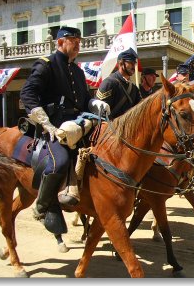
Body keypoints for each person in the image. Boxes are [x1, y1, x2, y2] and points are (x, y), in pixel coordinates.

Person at [20, 26, 110, 234]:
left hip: (77, 125)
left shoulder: (78, 71)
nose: (78, 44)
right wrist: (45, 122)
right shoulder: (46, 65)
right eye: (73, 40)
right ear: (60, 42)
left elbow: (85, 99)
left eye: (79, 40)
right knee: (58, 162)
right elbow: (28, 93)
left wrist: (96, 104)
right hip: (52, 128)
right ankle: (41, 206)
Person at [96, 48, 142, 119]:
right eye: (131, 63)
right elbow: (100, 113)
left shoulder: (133, 88)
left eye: (134, 63)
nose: (133, 66)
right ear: (121, 63)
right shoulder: (109, 83)